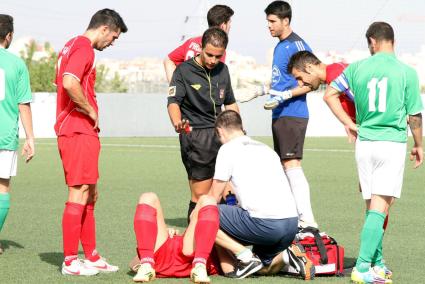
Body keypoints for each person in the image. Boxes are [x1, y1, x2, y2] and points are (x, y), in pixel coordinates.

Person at [325, 22, 423, 283]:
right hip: (390, 144)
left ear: (372, 41)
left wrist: (348, 123)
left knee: (374, 208)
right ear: (392, 41)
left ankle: (377, 263)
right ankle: (362, 268)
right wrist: (419, 144)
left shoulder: (356, 68)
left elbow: (329, 94)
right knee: (380, 208)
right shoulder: (407, 72)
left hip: (364, 144)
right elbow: (414, 115)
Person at [54, 9, 127, 276]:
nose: (113, 42)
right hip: (76, 129)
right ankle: (71, 261)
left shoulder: (70, 45)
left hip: (81, 130)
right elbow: (69, 82)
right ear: (105, 29)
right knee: (79, 192)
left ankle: (91, 256)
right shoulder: (84, 47)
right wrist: (90, 110)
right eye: (114, 37)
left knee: (91, 194)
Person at [209, 110, 315, 280]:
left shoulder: (227, 149)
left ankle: (244, 255)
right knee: (260, 268)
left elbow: (211, 199)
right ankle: (287, 256)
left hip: (265, 225)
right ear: (242, 128)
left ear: (220, 131)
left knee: (202, 214)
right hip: (290, 225)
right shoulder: (266, 149)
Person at [167, 27, 239, 222]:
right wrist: (177, 123)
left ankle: (220, 245)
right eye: (209, 55)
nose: (213, 60)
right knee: (201, 195)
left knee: (228, 192)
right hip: (196, 136)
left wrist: (238, 131)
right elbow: (173, 102)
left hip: (222, 136)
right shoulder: (183, 71)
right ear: (200, 47)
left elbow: (230, 102)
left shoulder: (223, 70)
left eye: (218, 56)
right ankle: (194, 245)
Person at [263, 0, 317, 228]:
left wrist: (285, 96)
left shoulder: (297, 46)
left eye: (273, 21)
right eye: (267, 21)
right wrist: (264, 90)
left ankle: (307, 220)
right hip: (280, 114)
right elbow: (281, 81)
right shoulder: (280, 46)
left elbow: (314, 81)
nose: (269, 26)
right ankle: (294, 218)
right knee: (285, 165)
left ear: (286, 21)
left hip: (292, 113)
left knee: (292, 164)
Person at [0, 14, 35, 255]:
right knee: (2, 189)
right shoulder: (16, 64)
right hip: (4, 136)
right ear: (9, 36)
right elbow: (24, 104)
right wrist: (30, 138)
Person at [129, 193, 220, 283]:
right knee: (148, 197)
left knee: (208, 200)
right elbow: (133, 263)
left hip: (191, 258)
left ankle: (200, 266)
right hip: (159, 257)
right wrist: (157, 233)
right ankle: (146, 265)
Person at [163, 5, 234, 82]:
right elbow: (215, 81)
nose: (230, 27)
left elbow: (168, 60)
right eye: (229, 23)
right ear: (223, 26)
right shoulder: (217, 49)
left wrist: (175, 88)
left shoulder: (191, 42)